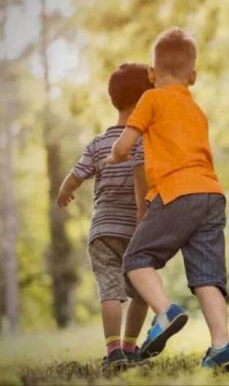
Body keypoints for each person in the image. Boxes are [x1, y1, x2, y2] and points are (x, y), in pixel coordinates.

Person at [106, 27, 229, 369]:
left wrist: (114, 156)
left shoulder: (151, 98)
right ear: (192, 76)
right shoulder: (196, 110)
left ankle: (164, 312)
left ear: (151, 74)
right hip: (211, 194)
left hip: (175, 192)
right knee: (207, 276)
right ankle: (223, 346)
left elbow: (125, 143)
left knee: (136, 260)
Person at [56, 63, 152, 373]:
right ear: (145, 101)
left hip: (102, 231)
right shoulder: (145, 141)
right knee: (142, 292)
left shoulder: (98, 143)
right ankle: (128, 346)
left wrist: (64, 192)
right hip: (136, 229)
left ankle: (113, 350)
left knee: (109, 290)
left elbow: (76, 175)